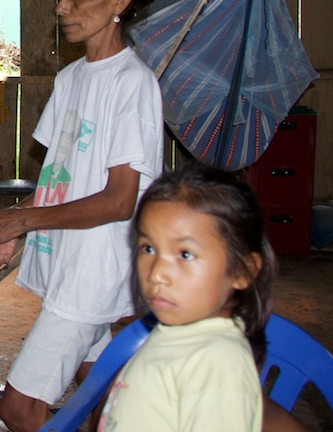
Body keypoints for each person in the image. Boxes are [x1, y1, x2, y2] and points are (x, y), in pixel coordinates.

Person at [0, 0, 164, 432]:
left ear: (119, 0)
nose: (62, 7)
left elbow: (120, 201)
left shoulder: (132, 84)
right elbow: (57, 176)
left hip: (94, 269)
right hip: (68, 260)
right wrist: (15, 226)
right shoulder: (71, 78)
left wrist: (24, 218)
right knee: (101, 392)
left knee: (19, 410)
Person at [96, 163, 276, 431]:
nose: (156, 273)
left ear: (242, 271)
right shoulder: (181, 331)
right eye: (148, 248)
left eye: (185, 254)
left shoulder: (217, 363)